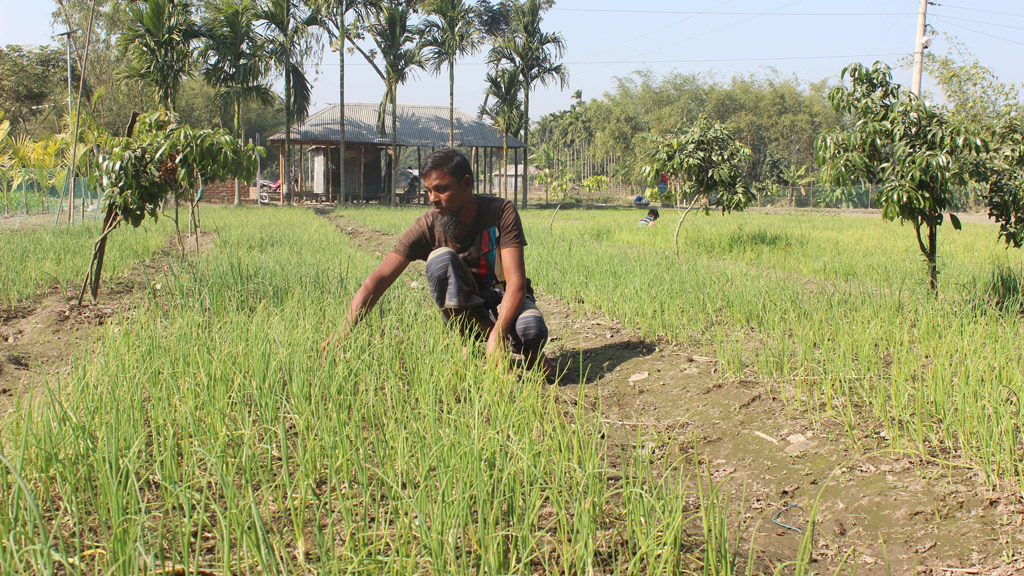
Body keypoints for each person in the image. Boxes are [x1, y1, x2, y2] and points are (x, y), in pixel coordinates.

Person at [327, 148, 552, 377]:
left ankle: (529, 353)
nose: (433, 198)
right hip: (470, 308)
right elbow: (378, 280)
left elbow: (516, 284)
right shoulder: (427, 226)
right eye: (429, 191)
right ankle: (467, 341)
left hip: (504, 298)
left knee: (530, 330)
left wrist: (498, 334)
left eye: (442, 189)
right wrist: (343, 332)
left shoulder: (500, 212)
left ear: (466, 184)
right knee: (440, 259)